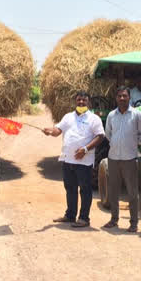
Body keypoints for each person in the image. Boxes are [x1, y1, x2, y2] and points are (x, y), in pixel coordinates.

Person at [42, 91, 105, 228]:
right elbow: (57, 131)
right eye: (79, 100)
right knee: (70, 188)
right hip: (68, 159)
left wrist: (86, 149)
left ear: (88, 102)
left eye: (84, 100)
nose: (81, 102)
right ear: (75, 101)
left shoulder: (94, 119)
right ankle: (70, 215)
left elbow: (100, 136)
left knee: (85, 189)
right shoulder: (68, 117)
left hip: (84, 161)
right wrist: (49, 131)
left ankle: (84, 218)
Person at [103, 87, 141, 232]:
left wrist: (132, 144)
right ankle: (114, 219)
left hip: (130, 158)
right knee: (113, 190)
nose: (122, 98)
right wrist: (116, 143)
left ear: (129, 98)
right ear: (116, 98)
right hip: (113, 157)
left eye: (125, 96)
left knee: (132, 192)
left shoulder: (136, 114)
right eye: (119, 96)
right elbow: (108, 134)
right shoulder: (111, 115)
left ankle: (134, 223)